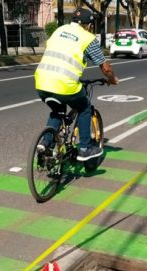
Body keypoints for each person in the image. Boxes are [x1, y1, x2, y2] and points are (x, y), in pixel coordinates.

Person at [35, 7, 119, 161]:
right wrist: (112, 80)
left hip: (42, 82)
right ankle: (85, 148)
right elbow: (105, 67)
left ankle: (45, 143)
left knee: (57, 112)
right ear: (88, 25)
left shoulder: (59, 30)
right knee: (84, 107)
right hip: (65, 85)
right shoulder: (87, 38)